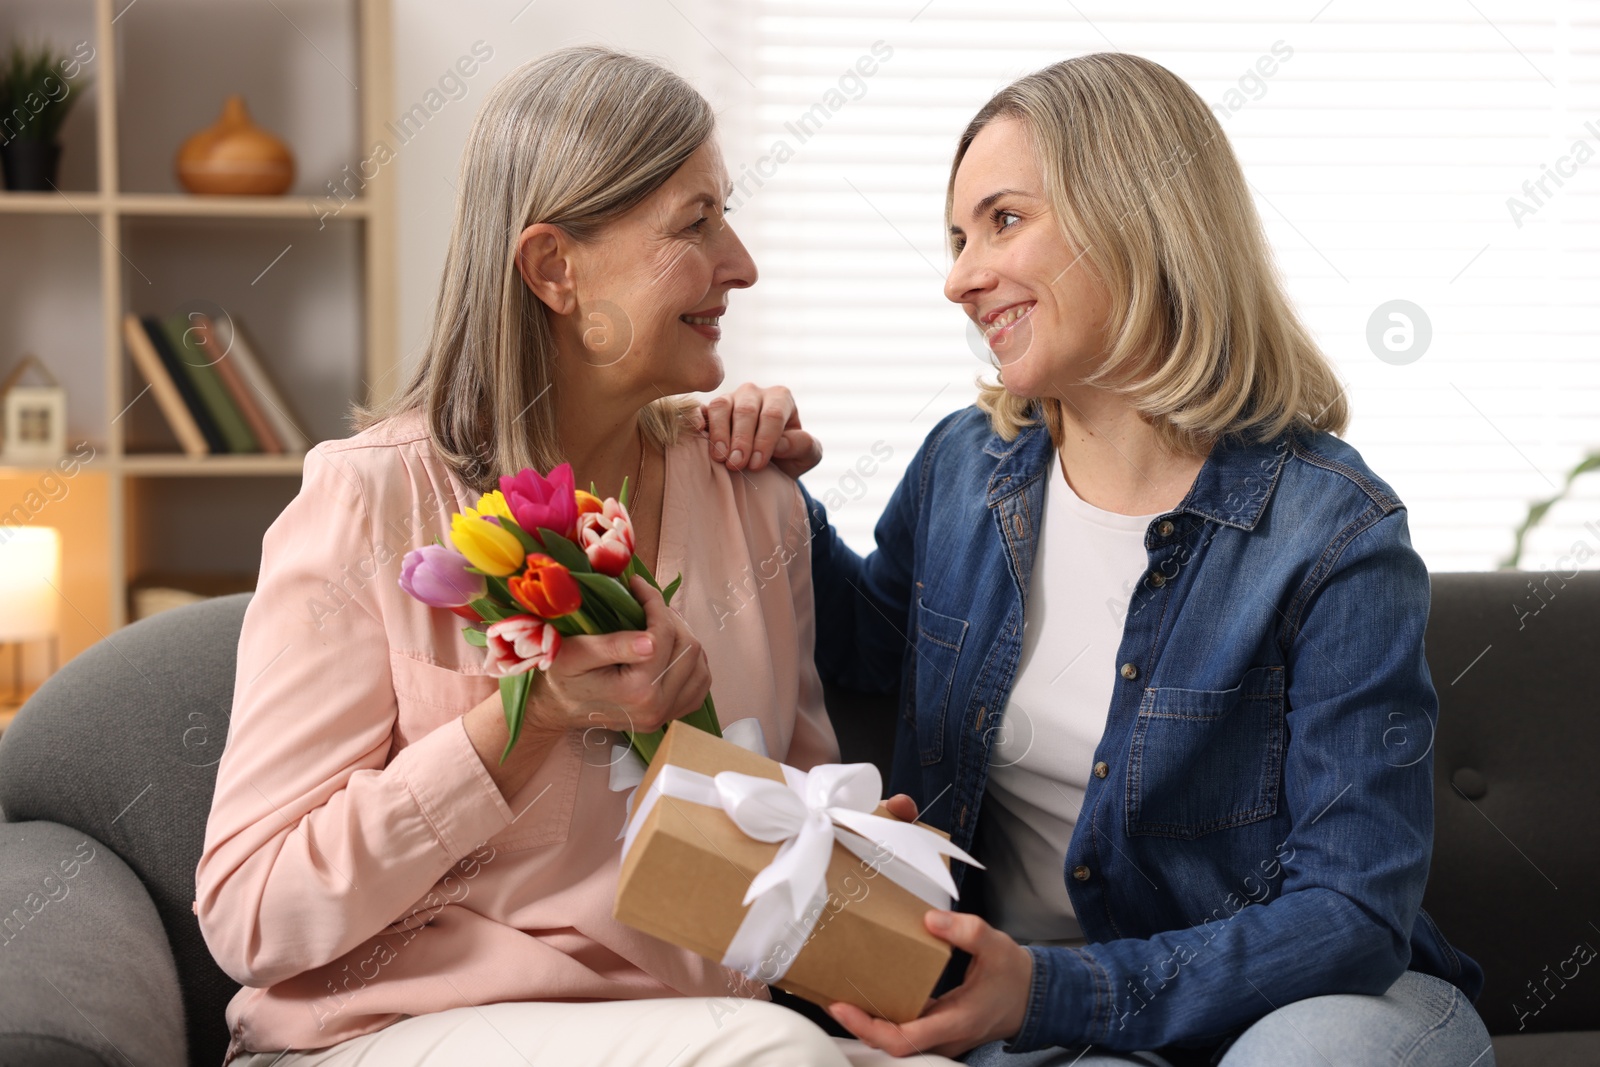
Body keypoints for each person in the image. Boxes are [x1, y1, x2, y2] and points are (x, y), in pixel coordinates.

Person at [703, 53, 1495, 1066]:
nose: (957, 278)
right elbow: (863, 646)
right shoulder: (965, 467)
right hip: (1046, 1022)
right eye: (954, 239)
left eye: (1001, 220)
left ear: (1136, 214)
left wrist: (1050, 990)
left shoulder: (1331, 529)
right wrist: (767, 474)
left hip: (1305, 1006)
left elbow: (1347, 912)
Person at [195, 46, 956, 1067]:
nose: (740, 263)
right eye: (695, 223)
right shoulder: (370, 500)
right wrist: (522, 725)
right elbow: (250, 912)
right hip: (385, 1031)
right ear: (554, 267)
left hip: (702, 1029)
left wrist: (841, 856)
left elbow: (778, 847)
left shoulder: (755, 499)